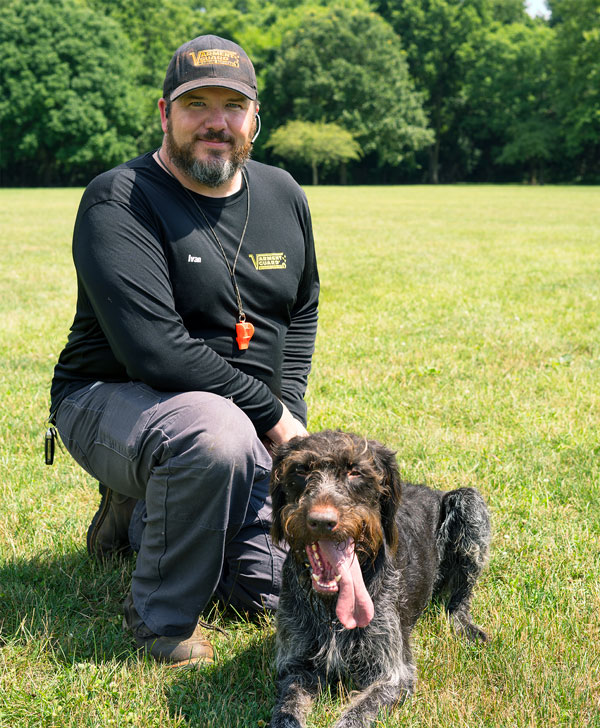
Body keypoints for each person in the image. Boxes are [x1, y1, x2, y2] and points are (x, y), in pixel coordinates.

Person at [49, 35, 319, 668]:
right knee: (212, 433)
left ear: (256, 118)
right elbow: (156, 353)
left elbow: (300, 309)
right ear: (164, 113)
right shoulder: (120, 199)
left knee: (279, 592)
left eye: (233, 105)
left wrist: (290, 407)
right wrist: (274, 419)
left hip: (240, 422)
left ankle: (146, 513)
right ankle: (159, 620)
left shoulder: (284, 194)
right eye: (197, 104)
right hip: (111, 399)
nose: (215, 122)